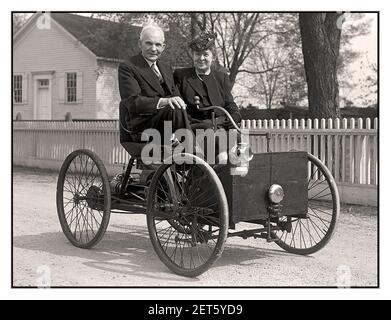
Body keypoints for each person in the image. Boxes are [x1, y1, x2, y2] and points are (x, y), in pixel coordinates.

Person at [174, 32, 242, 163]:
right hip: (195, 129)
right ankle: (211, 178)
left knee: (238, 141)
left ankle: (237, 179)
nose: (201, 58)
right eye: (197, 54)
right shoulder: (181, 76)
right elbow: (179, 109)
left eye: (206, 54)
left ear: (213, 57)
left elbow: (230, 104)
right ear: (192, 56)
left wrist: (234, 116)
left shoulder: (221, 78)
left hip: (220, 127)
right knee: (218, 148)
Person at [118, 24, 189, 146]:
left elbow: (175, 95)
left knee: (187, 112)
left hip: (165, 122)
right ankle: (192, 154)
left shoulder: (166, 68)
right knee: (174, 108)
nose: (153, 49)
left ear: (164, 47)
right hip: (141, 125)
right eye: (149, 43)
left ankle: (191, 151)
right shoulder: (128, 67)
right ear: (140, 44)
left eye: (158, 45)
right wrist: (164, 102)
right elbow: (133, 102)